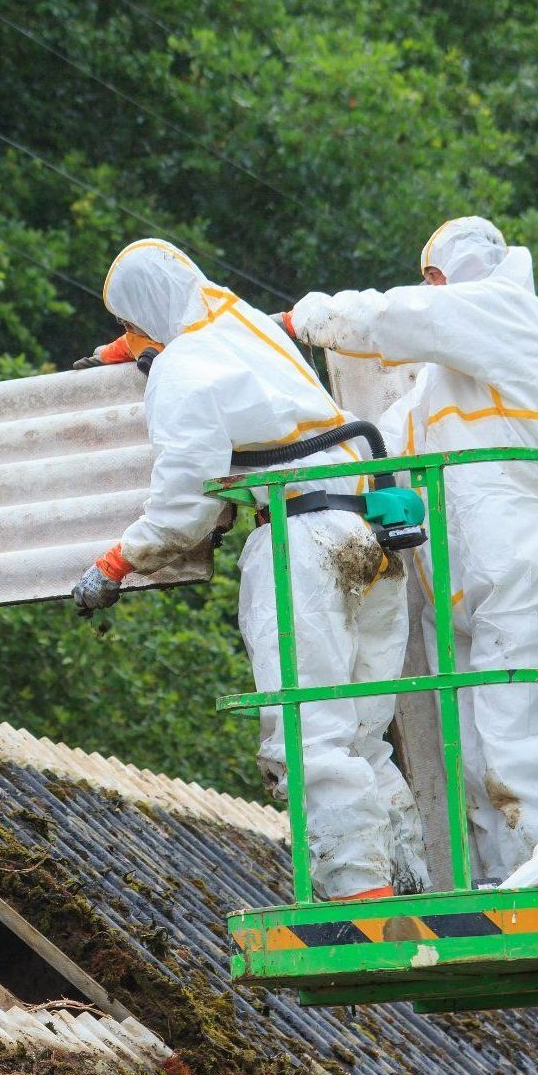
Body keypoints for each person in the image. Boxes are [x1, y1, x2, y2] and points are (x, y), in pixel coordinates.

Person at [72, 238, 428, 898]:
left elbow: (188, 499)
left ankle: (362, 900)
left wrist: (121, 560)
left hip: (304, 542)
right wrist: (129, 350)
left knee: (308, 734)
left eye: (128, 324)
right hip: (369, 530)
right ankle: (410, 889)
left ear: (145, 315)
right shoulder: (243, 327)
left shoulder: (186, 363)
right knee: (361, 736)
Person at [285, 216, 538, 880]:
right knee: (479, 757)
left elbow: (394, 318)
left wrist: (304, 318)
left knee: (521, 744)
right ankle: (506, 885)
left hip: (520, 564)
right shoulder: (436, 390)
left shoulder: (510, 311)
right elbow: (374, 447)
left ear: (440, 277)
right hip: (463, 585)